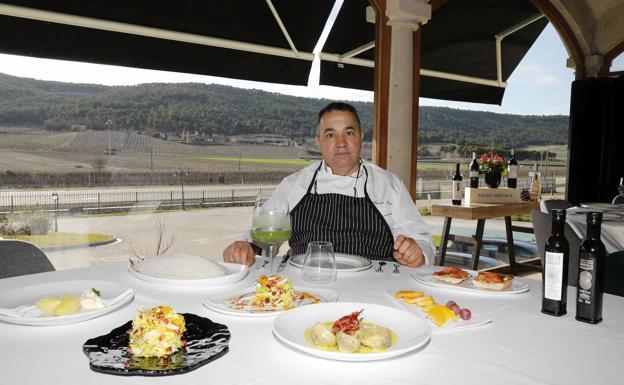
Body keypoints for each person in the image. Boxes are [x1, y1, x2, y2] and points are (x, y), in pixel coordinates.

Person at [223, 102, 435, 268]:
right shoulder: (294, 184)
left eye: (349, 133)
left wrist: (418, 253)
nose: (341, 143)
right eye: (331, 134)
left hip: (375, 285)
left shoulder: (389, 184)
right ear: (318, 142)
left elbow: (421, 240)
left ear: (361, 137)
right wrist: (244, 248)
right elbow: (262, 237)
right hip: (303, 283)